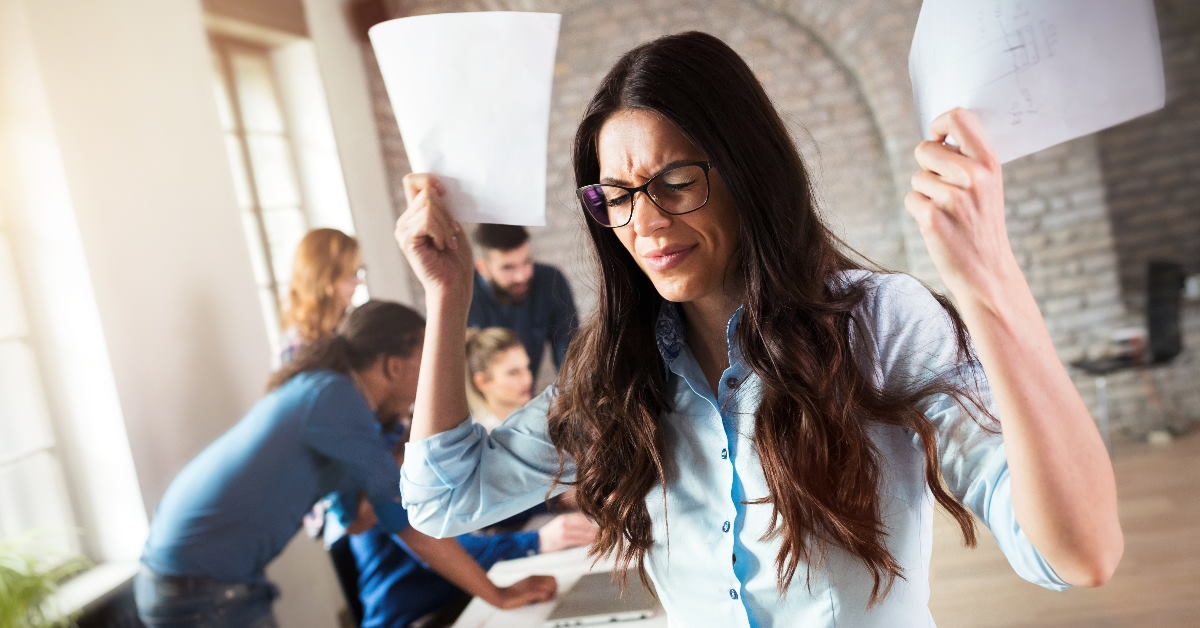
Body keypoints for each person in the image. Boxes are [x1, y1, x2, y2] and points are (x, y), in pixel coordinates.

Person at [392, 31, 1122, 627]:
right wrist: (448, 293)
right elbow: (444, 499)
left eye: (674, 181)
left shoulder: (878, 322)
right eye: (615, 196)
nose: (643, 223)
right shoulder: (618, 372)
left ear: (749, 174)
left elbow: (1075, 554)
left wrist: (989, 280)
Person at [134, 301, 556, 627]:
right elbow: (408, 523)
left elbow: (354, 519)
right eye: (426, 364)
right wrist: (497, 595)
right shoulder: (333, 398)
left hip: (195, 582)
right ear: (394, 365)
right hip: (198, 588)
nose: (434, 379)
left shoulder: (327, 397)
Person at [343, 427, 598, 628]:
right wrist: (536, 541)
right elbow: (440, 542)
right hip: (417, 619)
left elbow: (472, 506)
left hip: (459, 603)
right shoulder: (386, 464)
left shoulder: (404, 440)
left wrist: (555, 499)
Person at [468, 224, 578, 377]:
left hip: (527, 397)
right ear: (482, 268)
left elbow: (569, 352)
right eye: (508, 268)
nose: (521, 276)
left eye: (527, 262)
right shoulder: (463, 297)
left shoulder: (551, 281)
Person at [279, 227, 364, 364]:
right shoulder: (295, 347)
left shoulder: (355, 328)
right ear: (326, 278)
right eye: (351, 274)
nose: (359, 282)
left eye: (359, 271)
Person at [465, 326, 534, 432]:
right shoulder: (480, 439)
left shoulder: (540, 420)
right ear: (482, 382)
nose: (527, 379)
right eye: (513, 373)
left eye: (527, 368)